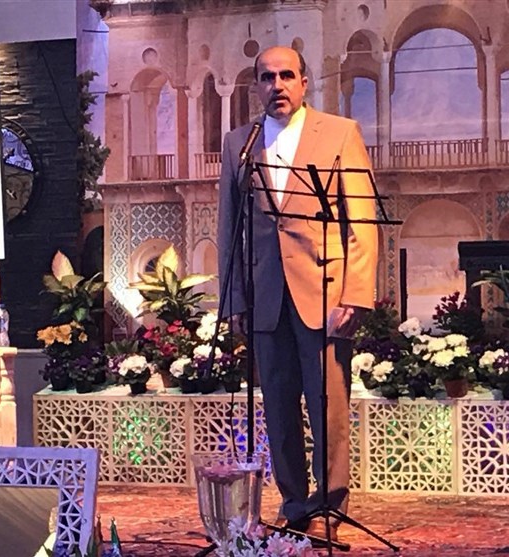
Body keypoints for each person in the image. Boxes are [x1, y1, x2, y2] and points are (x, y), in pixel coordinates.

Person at [217, 46, 378, 542]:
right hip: (266, 297)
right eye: (267, 77)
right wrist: (235, 300)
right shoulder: (239, 142)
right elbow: (229, 228)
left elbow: (362, 221)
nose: (278, 85)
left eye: (287, 75)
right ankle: (294, 504)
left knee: (328, 406)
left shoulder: (340, 133)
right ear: (256, 87)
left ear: (305, 82)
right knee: (279, 407)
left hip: (325, 294)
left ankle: (330, 505)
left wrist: (355, 294)